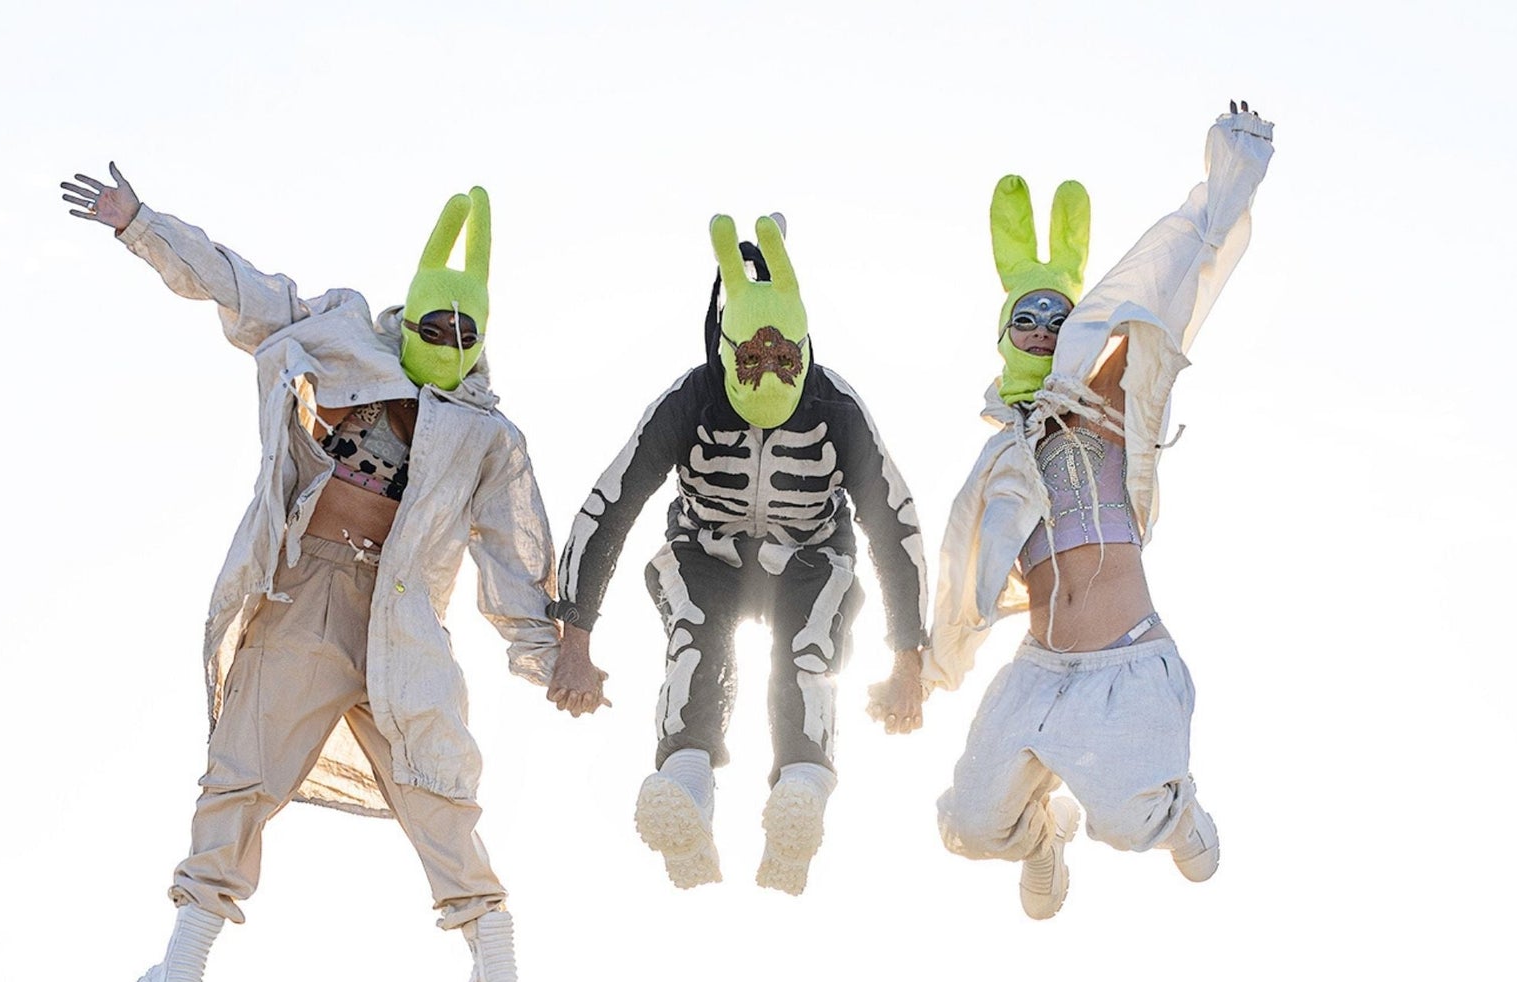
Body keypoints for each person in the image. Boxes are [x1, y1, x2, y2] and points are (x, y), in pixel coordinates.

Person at [60, 164, 558, 982]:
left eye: (463, 328)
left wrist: (545, 655)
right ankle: (175, 979)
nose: (445, 335)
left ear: (481, 335)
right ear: (412, 311)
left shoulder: (487, 434)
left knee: (439, 787)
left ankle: (494, 971)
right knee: (243, 774)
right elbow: (238, 286)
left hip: (401, 624)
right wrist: (139, 225)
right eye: (434, 319)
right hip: (305, 588)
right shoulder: (336, 333)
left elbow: (515, 557)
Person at [926, 103, 1275, 918]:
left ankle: (1175, 806)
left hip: (1124, 660)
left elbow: (1177, 284)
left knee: (1127, 823)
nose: (1046, 330)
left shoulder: (1107, 394)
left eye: (1059, 315)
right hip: (1039, 672)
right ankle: (1041, 837)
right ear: (1006, 334)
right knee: (972, 822)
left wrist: (1235, 171)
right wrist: (926, 660)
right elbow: (956, 569)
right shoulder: (999, 457)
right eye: (1028, 318)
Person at [545, 214, 929, 895]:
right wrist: (575, 633)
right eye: (751, 359)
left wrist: (908, 656)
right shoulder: (691, 397)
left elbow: (892, 521)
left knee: (806, 648)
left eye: (785, 360)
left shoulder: (834, 404)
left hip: (811, 555)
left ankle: (802, 790)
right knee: (698, 637)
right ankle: (686, 789)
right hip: (707, 552)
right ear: (724, 351)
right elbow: (613, 500)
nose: (769, 374)